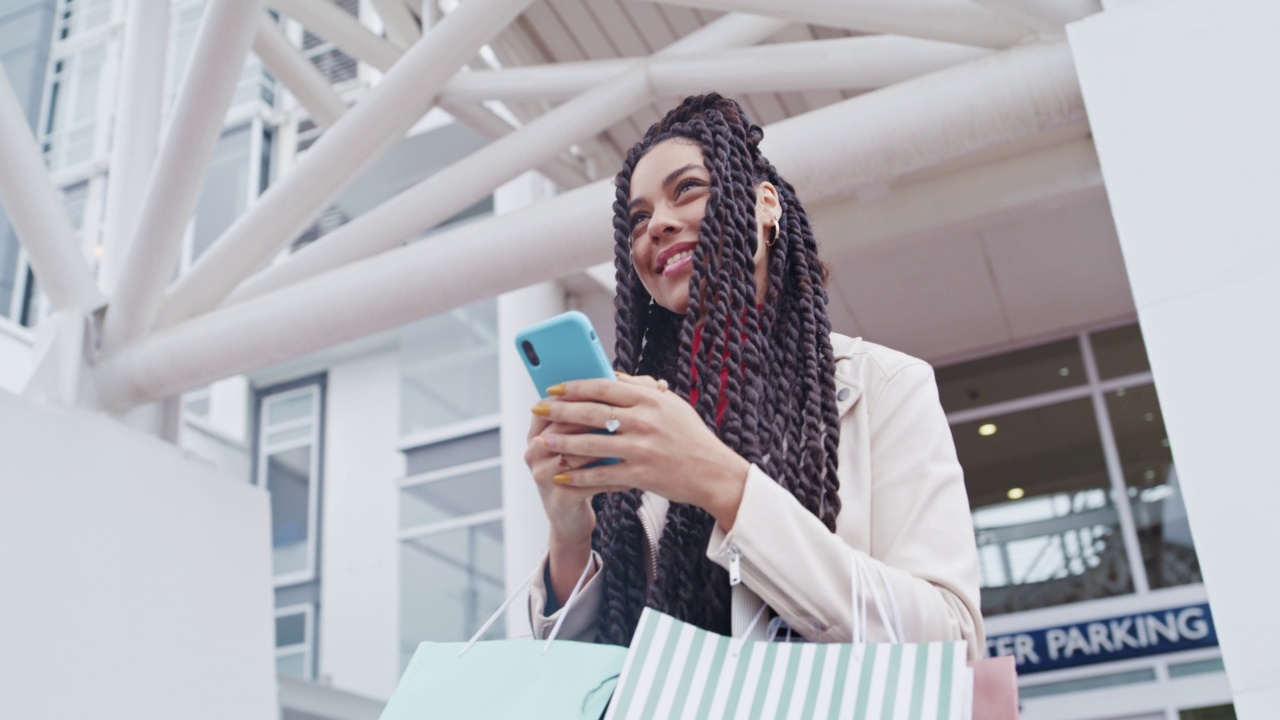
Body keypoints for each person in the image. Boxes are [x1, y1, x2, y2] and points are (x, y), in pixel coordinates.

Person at [523, 93, 983, 657]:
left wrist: (722, 484)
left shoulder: (884, 386)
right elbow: (589, 667)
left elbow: (950, 641)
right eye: (637, 219)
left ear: (766, 207)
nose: (657, 226)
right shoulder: (637, 422)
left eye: (687, 190)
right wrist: (570, 534)